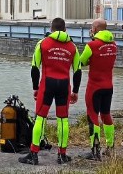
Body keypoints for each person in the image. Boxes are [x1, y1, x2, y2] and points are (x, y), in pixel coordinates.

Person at [19, 17, 81, 166]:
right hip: (64, 85)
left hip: (47, 84)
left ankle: (33, 154)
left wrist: (35, 88)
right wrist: (76, 91)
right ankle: (62, 155)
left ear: (51, 29)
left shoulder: (42, 43)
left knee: (40, 118)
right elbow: (78, 71)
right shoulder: (73, 46)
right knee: (63, 119)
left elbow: (34, 68)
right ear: (65, 30)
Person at [79, 19, 117, 160]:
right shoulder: (114, 45)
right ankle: (110, 146)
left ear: (96, 28)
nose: (91, 29)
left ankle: (95, 151)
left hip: (94, 87)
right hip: (109, 86)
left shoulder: (92, 45)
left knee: (93, 116)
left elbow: (81, 61)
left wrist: (90, 60)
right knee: (106, 114)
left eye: (92, 27)